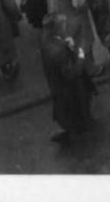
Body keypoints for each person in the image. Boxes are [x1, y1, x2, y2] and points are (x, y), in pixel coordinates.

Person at [40, 12, 96, 142]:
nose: (65, 27)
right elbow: (72, 73)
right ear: (57, 28)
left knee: (67, 109)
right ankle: (80, 129)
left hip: (58, 85)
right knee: (77, 105)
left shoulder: (45, 39)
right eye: (63, 24)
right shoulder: (59, 53)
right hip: (70, 87)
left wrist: (65, 44)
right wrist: (81, 57)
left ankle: (76, 127)